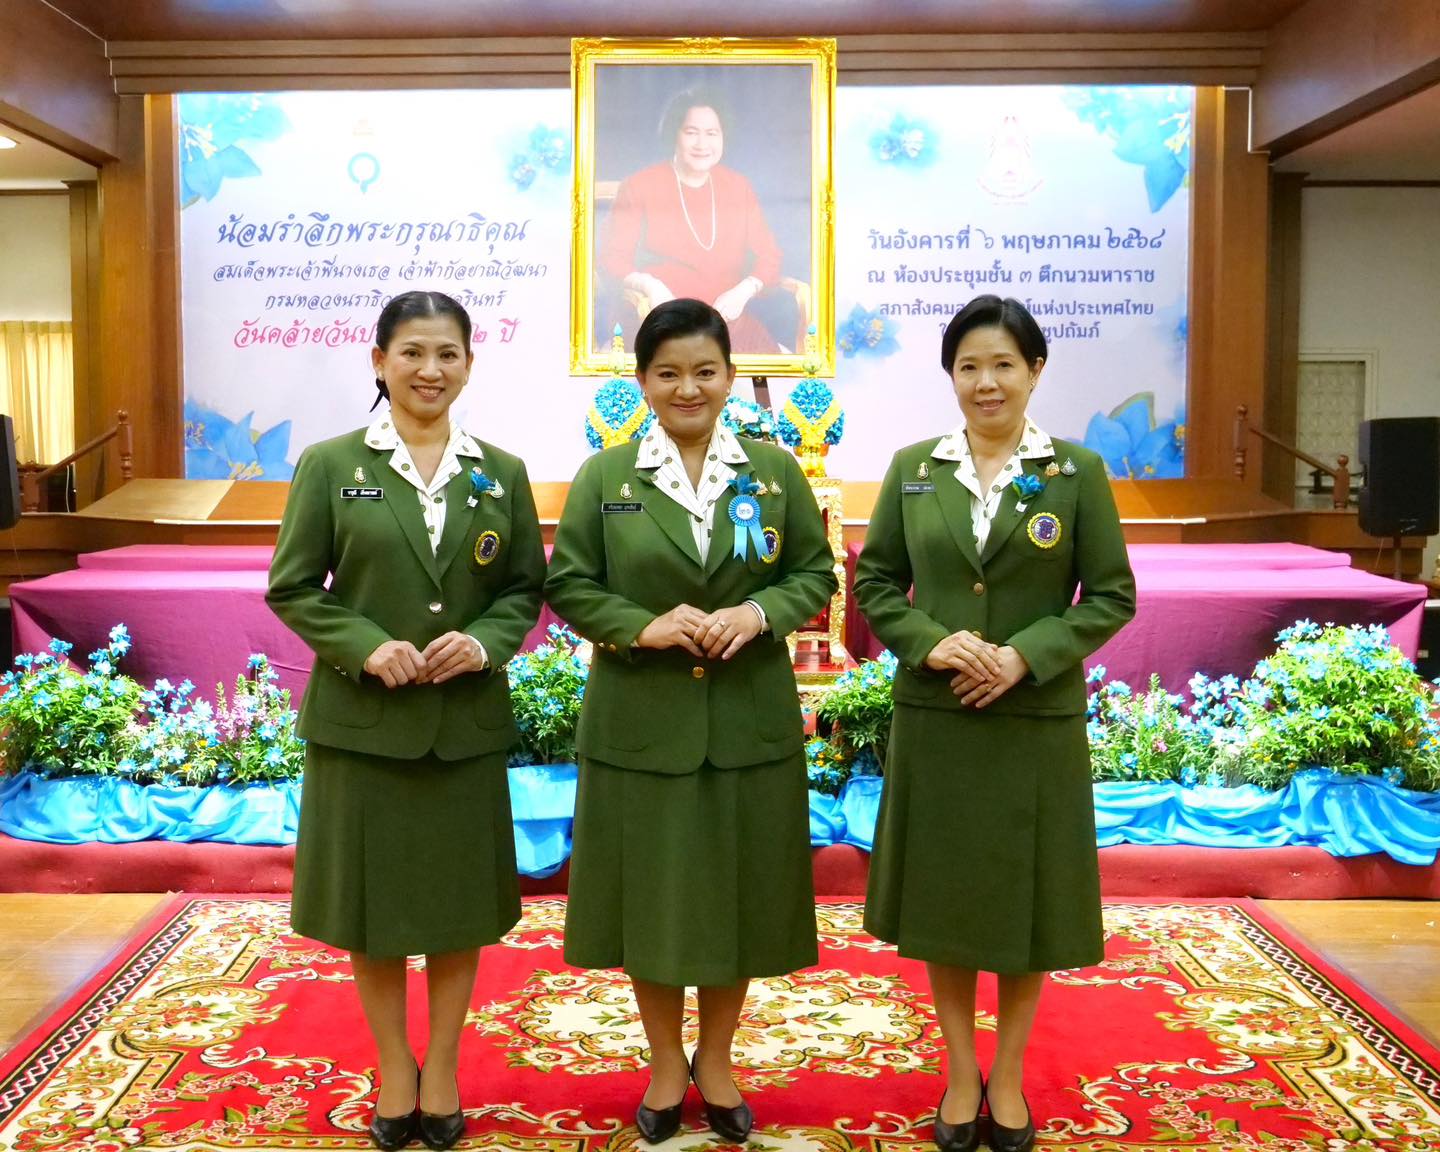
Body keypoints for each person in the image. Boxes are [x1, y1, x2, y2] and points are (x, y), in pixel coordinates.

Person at [546, 297, 837, 1144]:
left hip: (748, 725)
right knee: (656, 902)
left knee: (736, 900)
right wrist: (643, 627)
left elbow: (815, 574)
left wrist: (757, 614)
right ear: (641, 381)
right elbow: (569, 584)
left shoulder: (774, 473)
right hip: (643, 723)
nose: (688, 388)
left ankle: (717, 1059)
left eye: (705, 371)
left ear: (731, 377)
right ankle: (666, 1062)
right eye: (668, 373)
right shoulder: (606, 477)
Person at [853, 295, 1136, 1152]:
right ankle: (959, 1071)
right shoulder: (914, 469)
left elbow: (1111, 595)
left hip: (1032, 720)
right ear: (951, 374)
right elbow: (874, 586)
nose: (986, 382)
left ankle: (1006, 1074)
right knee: (944, 902)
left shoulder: (1076, 472)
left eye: (1003, 364)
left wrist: (1026, 655)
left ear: (1035, 370)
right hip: (939, 717)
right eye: (969, 366)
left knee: (1025, 905)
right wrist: (933, 643)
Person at [267, 290, 545, 1152]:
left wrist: (487, 641)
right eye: (413, 352)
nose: (431, 370)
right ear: (379, 360)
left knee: (461, 907)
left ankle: (445, 1065)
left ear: (469, 363)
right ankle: (395, 1065)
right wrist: (364, 645)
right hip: (364, 726)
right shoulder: (330, 464)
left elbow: (523, 589)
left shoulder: (501, 472)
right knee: (374, 907)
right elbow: (292, 587)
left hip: (462, 725)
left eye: (448, 354)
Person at [599, 87, 794, 355]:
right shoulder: (640, 185)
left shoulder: (738, 186)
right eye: (691, 132)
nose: (702, 144)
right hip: (655, 319)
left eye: (712, 133)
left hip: (725, 324)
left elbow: (770, 257)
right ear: (674, 134)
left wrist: (744, 291)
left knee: (770, 370)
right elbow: (612, 258)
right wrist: (649, 286)